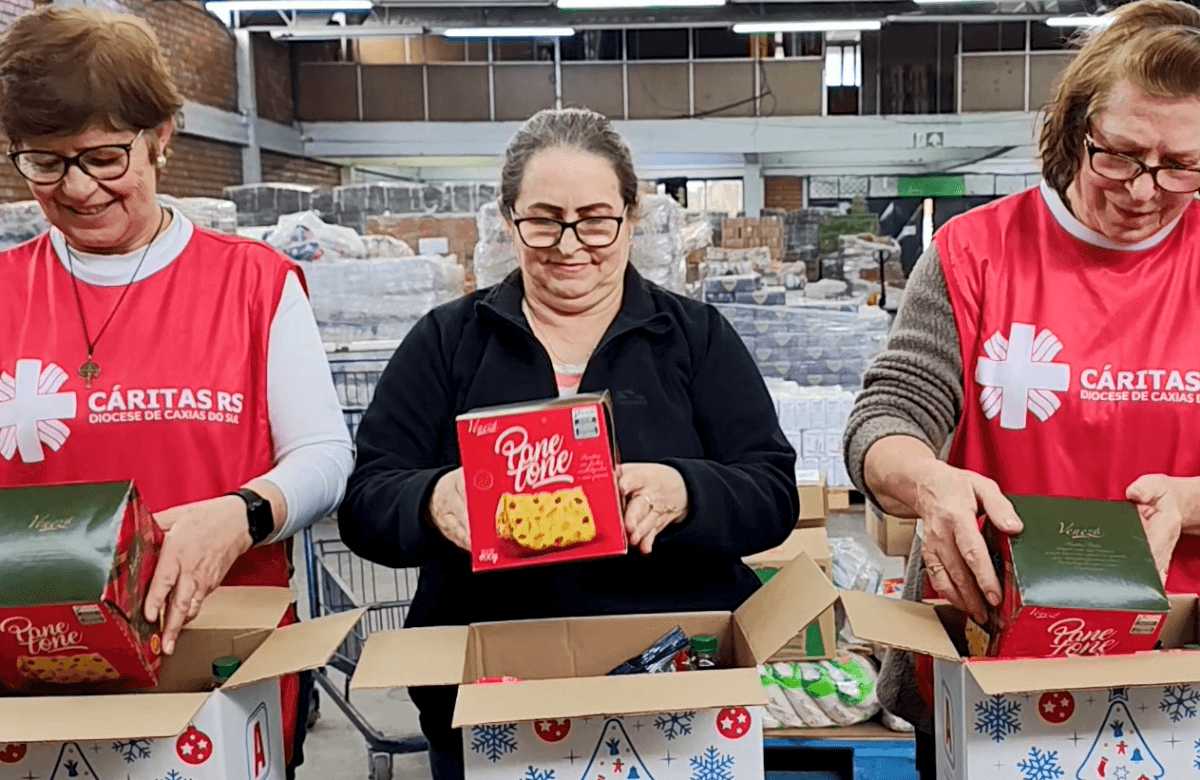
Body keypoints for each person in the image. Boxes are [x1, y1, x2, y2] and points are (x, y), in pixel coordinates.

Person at [339, 107, 798, 780]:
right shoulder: (446, 343)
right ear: (509, 219)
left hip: (671, 692)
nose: (569, 242)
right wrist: (432, 501)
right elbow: (365, 503)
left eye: (595, 218)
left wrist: (685, 491)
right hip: (488, 700)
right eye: (544, 218)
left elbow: (772, 491)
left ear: (632, 216)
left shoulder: (694, 338)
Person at [842, 1, 1200, 775]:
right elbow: (887, 416)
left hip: (1175, 664)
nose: (1145, 190)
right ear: (1076, 128)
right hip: (988, 659)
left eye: (1180, 166)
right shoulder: (976, 253)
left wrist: (1188, 502)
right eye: (1121, 155)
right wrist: (931, 482)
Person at [0, 8, 353, 776]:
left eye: (102, 155)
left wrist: (244, 513)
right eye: (45, 163)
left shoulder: (252, 286)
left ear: (162, 133)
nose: (79, 188)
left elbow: (326, 457)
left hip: (218, 667)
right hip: (36, 684)